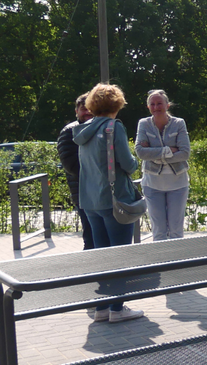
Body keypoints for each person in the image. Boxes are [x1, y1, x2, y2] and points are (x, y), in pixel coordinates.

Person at [73, 84, 144, 323]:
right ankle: (117, 309)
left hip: (90, 201)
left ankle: (101, 307)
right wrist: (135, 163)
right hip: (114, 199)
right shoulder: (115, 127)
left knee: (101, 255)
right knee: (119, 256)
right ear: (117, 103)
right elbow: (127, 163)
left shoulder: (83, 130)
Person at [136, 90, 192, 241]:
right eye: (152, 104)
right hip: (152, 184)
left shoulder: (179, 123)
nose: (156, 107)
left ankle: (177, 263)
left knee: (176, 231)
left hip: (178, 184)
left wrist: (154, 154)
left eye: (159, 103)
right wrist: (168, 151)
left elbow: (185, 153)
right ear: (148, 107)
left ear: (167, 105)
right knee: (158, 231)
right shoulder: (144, 124)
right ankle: (161, 264)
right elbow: (140, 152)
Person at [56, 93, 94, 250]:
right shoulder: (69, 132)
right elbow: (71, 166)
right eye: (83, 109)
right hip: (83, 193)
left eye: (91, 109)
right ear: (76, 111)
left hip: (101, 192)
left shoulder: (100, 128)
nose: (87, 113)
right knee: (91, 236)